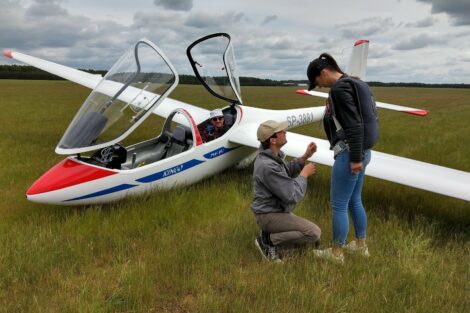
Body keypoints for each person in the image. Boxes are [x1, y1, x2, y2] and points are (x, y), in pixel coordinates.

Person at [306, 53, 379, 264]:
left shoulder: (339, 89)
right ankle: (360, 244)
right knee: (354, 200)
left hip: (351, 153)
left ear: (323, 73)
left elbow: (355, 125)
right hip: (364, 151)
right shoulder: (356, 82)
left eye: (317, 82)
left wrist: (354, 158)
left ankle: (336, 253)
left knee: (338, 204)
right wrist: (360, 155)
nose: (318, 86)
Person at [251, 120, 321, 262]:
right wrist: (304, 175)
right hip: (269, 215)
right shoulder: (267, 165)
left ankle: (273, 238)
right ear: (273, 140)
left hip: (274, 212)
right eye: (281, 131)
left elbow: (285, 173)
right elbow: (292, 195)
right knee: (314, 233)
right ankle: (268, 240)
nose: (285, 132)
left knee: (309, 240)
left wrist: (304, 157)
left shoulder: (271, 157)